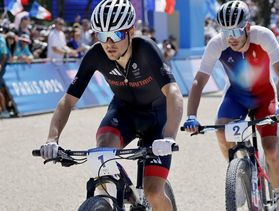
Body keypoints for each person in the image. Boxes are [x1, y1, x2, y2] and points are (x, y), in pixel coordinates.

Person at [39, 1, 183, 211]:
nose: (108, 43)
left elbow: (173, 93)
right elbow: (68, 100)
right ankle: (122, 195)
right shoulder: (96, 54)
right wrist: (52, 139)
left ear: (131, 32)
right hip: (123, 113)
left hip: (156, 118)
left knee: (153, 192)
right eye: (101, 35)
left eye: (116, 35)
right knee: (101, 157)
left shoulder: (145, 49)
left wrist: (169, 136)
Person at [182, 1, 279, 210]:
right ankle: (237, 173)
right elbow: (199, 81)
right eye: (225, 31)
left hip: (264, 97)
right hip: (236, 96)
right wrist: (191, 116)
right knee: (221, 130)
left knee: (271, 151)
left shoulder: (263, 36)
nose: (230, 37)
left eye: (235, 30)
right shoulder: (218, 43)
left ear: (248, 27)